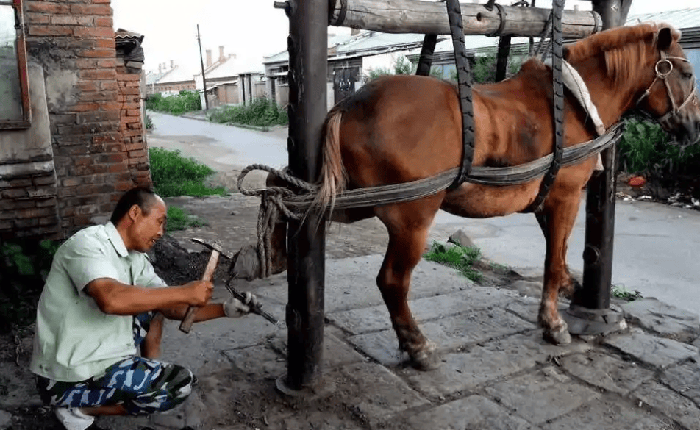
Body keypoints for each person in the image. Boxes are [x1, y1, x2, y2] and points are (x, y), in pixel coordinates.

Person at [30, 187, 257, 430]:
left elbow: (171, 307)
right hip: (66, 377)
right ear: (135, 213)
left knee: (156, 304)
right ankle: (78, 408)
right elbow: (110, 300)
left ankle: (143, 375)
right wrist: (185, 291)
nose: (161, 232)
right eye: (159, 222)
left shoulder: (135, 259)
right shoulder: (88, 245)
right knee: (178, 384)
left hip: (102, 360)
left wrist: (225, 309)